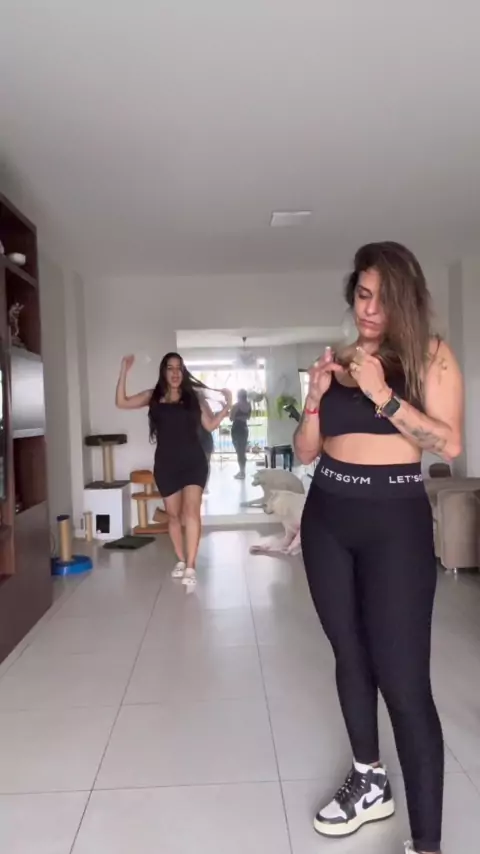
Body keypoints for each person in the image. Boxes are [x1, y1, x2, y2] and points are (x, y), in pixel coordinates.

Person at [294, 242, 463, 854]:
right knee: (350, 654)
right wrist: (316, 397)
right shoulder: (343, 359)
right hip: (327, 517)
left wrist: (383, 394)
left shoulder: (430, 356)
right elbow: (307, 450)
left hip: (395, 523)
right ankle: (369, 782)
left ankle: (427, 845)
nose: (369, 309)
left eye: (383, 300)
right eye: (363, 295)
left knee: (403, 679)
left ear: (406, 302)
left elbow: (449, 444)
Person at [116, 352, 231, 586]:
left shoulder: (194, 398)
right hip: (166, 464)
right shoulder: (153, 396)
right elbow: (122, 402)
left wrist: (226, 406)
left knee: (191, 512)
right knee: (174, 516)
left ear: (183, 371)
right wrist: (123, 371)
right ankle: (181, 559)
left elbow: (209, 425)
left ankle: (191, 565)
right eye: (170, 368)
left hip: (194, 462)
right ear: (164, 371)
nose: (175, 372)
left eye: (179, 368)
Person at [230, 389, 252, 479]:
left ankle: (242, 472)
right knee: (242, 451)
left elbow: (231, 418)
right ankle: (242, 471)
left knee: (239, 451)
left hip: (236, 428)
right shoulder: (249, 405)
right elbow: (248, 417)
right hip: (244, 428)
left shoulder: (236, 406)